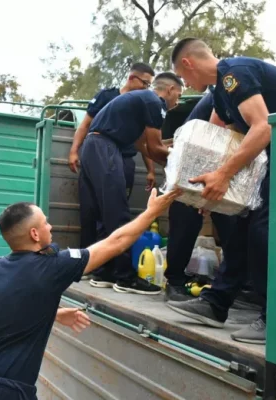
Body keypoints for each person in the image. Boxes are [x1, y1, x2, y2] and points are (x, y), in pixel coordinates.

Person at [0, 188, 180, 399]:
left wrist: (53, 313)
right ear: (34, 233)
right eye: (46, 222)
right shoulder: (50, 268)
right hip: (9, 391)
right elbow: (115, 243)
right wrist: (152, 211)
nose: (51, 227)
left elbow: (12, 305)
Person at [166, 38, 276, 344]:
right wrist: (210, 194)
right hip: (274, 158)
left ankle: (274, 319)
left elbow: (262, 127)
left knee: (263, 231)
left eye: (184, 78)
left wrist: (223, 175)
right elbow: (217, 143)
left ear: (188, 64)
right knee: (240, 229)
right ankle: (216, 304)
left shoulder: (234, 73)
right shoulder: (219, 92)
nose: (187, 84)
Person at [80, 72, 183, 295]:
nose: (177, 102)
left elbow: (143, 145)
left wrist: (167, 152)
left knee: (104, 214)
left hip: (93, 146)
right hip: (105, 148)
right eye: (179, 96)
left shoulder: (137, 103)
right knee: (118, 213)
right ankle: (125, 277)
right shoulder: (155, 102)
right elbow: (156, 149)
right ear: (170, 90)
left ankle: (104, 271)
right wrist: (182, 167)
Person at [163, 92, 239, 301]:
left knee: (233, 225)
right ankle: (175, 282)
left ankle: (236, 285)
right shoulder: (228, 91)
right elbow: (217, 135)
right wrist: (205, 196)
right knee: (185, 221)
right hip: (193, 162)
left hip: (220, 163)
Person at [68, 63, 157, 194]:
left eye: (149, 85)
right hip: (98, 157)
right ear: (132, 78)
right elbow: (85, 125)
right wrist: (74, 151)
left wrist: (151, 170)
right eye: (144, 83)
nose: (146, 88)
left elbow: (142, 140)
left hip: (124, 160)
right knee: (90, 204)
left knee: (117, 206)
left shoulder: (142, 105)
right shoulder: (106, 96)